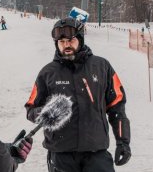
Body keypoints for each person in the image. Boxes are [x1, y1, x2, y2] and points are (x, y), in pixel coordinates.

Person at [25, 17, 131, 172]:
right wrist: (44, 114)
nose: (66, 45)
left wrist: (123, 142)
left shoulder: (102, 67)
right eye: (61, 42)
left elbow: (117, 108)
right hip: (62, 155)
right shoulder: (48, 73)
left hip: (97, 154)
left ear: (80, 39)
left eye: (70, 40)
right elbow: (31, 108)